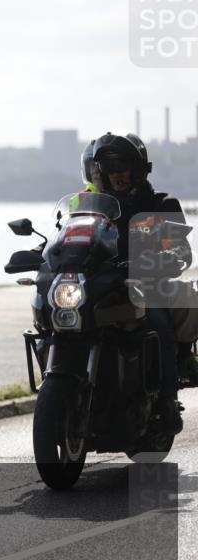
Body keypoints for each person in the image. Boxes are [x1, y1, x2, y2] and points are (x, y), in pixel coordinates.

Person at [90, 132, 193, 433]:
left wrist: (167, 255)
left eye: (122, 167)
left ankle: (166, 400)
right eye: (109, 169)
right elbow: (70, 237)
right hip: (104, 287)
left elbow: (181, 250)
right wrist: (44, 252)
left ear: (138, 169)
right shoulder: (96, 209)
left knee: (157, 324)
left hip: (146, 286)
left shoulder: (160, 204)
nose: (116, 175)